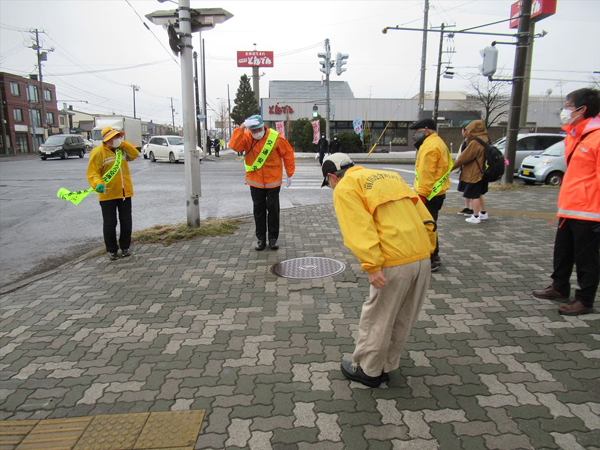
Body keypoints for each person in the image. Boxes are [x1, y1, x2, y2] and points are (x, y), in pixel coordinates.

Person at [321, 153, 436, 388]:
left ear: (332, 177)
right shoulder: (390, 176)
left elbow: (358, 228)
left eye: (329, 183)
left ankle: (368, 370)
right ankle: (386, 365)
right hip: (422, 256)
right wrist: (429, 247)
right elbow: (425, 216)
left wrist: (372, 265)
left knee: (378, 317)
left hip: (394, 260)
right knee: (403, 316)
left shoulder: (346, 187)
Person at [533, 88, 600, 316]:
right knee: (562, 252)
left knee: (586, 259)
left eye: (569, 106)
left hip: (589, 212)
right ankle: (559, 286)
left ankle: (585, 299)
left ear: (583, 109)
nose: (565, 110)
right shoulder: (575, 134)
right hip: (569, 207)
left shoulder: (597, 137)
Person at [229, 115, 295, 251]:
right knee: (258, 211)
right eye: (253, 130)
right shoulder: (246, 137)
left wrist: (290, 173)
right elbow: (234, 146)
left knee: (273, 210)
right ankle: (260, 239)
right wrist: (241, 128)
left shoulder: (275, 137)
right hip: (255, 181)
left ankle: (273, 239)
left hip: (273, 181)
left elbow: (287, 154)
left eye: (258, 129)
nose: (256, 133)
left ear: (263, 126)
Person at [87, 126, 140, 261]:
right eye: (115, 137)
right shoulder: (98, 152)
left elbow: (134, 154)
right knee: (110, 223)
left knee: (126, 221)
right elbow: (93, 172)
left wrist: (123, 143)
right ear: (107, 139)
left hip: (124, 192)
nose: (118, 139)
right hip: (107, 194)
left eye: (118, 137)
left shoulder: (121, 151)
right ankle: (112, 250)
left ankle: (125, 247)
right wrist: (97, 183)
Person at [409, 118, 452, 272]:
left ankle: (431, 258)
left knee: (427, 226)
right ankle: (435, 255)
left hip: (428, 194)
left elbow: (426, 174)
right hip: (437, 192)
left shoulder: (429, 147)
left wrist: (421, 196)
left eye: (417, 131)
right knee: (431, 224)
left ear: (426, 130)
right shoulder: (438, 143)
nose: (415, 134)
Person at [452, 120, 491, 224]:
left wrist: (450, 167)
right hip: (483, 171)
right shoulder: (486, 138)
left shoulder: (475, 142)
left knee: (474, 195)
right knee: (479, 194)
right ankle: (483, 213)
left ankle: (476, 216)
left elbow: (464, 158)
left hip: (475, 173)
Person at [456, 124, 473, 216]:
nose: (462, 132)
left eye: (463, 130)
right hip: (465, 169)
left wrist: (454, 166)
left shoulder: (473, 142)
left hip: (471, 170)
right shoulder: (466, 142)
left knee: (473, 191)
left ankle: (474, 210)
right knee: (466, 189)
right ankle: (467, 207)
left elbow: (463, 157)